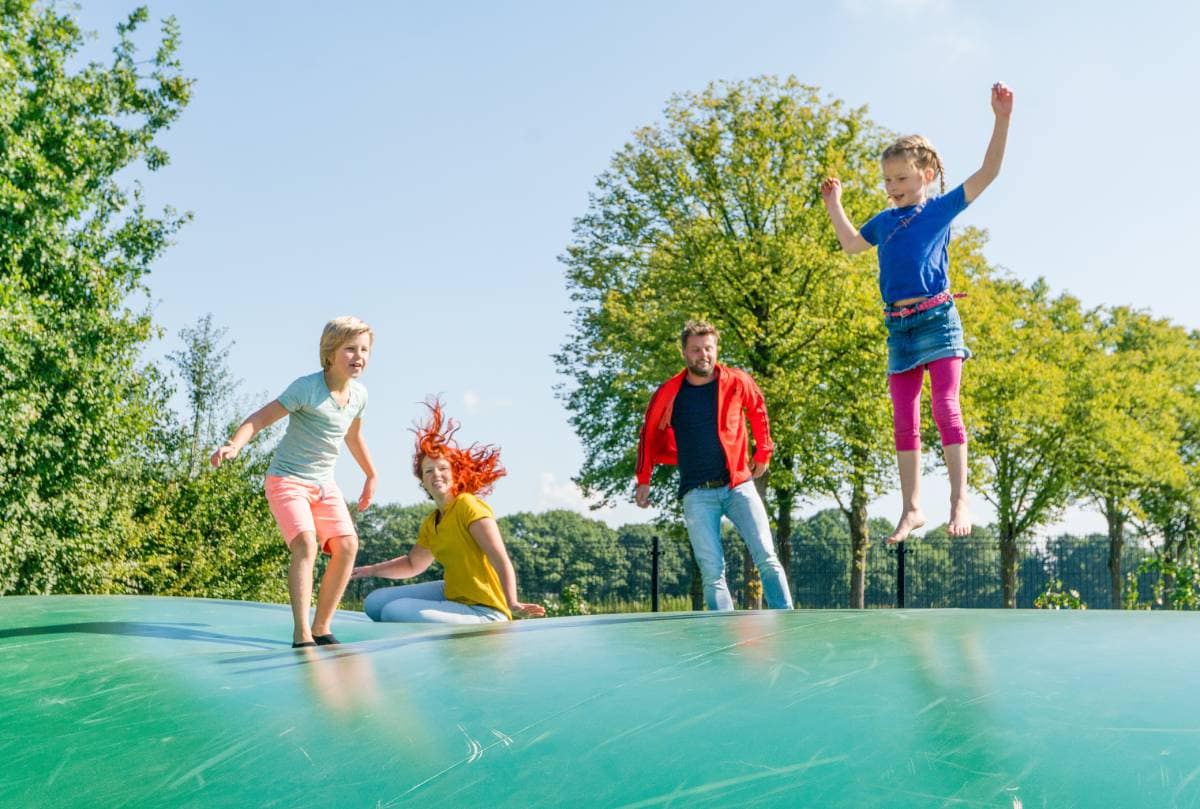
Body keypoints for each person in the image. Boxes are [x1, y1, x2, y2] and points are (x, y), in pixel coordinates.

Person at [820, 82, 1014, 544]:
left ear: (925, 174)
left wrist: (1001, 118)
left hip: (938, 319)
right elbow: (850, 244)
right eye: (887, 181)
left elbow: (988, 171)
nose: (893, 188)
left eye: (902, 179)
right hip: (899, 328)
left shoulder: (938, 210)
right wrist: (834, 204)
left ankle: (958, 498)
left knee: (946, 406)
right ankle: (911, 509)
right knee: (902, 418)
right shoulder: (885, 221)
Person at [211, 316, 376, 647]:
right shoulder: (307, 388)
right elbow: (259, 418)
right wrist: (234, 444)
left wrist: (371, 474)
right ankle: (302, 633)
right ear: (330, 353)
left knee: (348, 545)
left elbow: (353, 436)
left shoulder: (359, 395)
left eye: (364, 350)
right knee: (306, 543)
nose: (358, 356)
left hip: (323, 484)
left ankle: (321, 626)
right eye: (349, 349)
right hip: (287, 480)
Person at [635, 320, 793, 611]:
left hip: (739, 486)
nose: (703, 355)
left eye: (708, 348)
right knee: (712, 573)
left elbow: (758, 410)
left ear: (716, 349)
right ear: (684, 352)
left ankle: (787, 618)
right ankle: (725, 635)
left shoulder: (736, 381)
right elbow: (648, 433)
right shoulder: (669, 392)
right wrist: (644, 478)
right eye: (695, 349)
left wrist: (763, 453)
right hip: (697, 494)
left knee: (767, 557)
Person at [352, 400, 545, 624]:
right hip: (453, 591)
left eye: (443, 468)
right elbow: (413, 563)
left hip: (485, 609)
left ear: (455, 474)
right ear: (422, 480)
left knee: (393, 611)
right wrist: (372, 570)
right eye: (429, 471)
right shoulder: (432, 521)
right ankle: (446, 607)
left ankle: (479, 613)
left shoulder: (468, 506)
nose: (436, 475)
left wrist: (512, 603)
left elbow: (499, 559)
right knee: (374, 603)